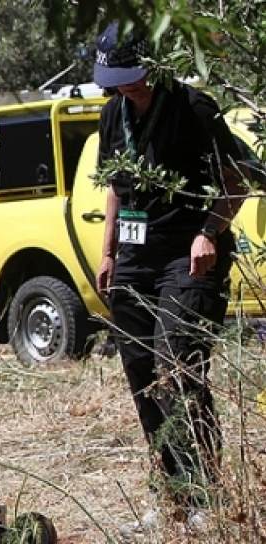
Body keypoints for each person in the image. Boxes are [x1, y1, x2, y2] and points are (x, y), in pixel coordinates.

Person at [92, 22, 248, 537]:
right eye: (120, 78)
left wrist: (209, 231)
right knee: (142, 374)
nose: (128, 86)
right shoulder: (112, 114)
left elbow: (237, 179)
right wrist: (108, 250)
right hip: (135, 258)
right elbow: (116, 186)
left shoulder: (194, 107)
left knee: (176, 361)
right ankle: (173, 496)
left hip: (190, 255)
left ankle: (208, 493)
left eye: (135, 77)